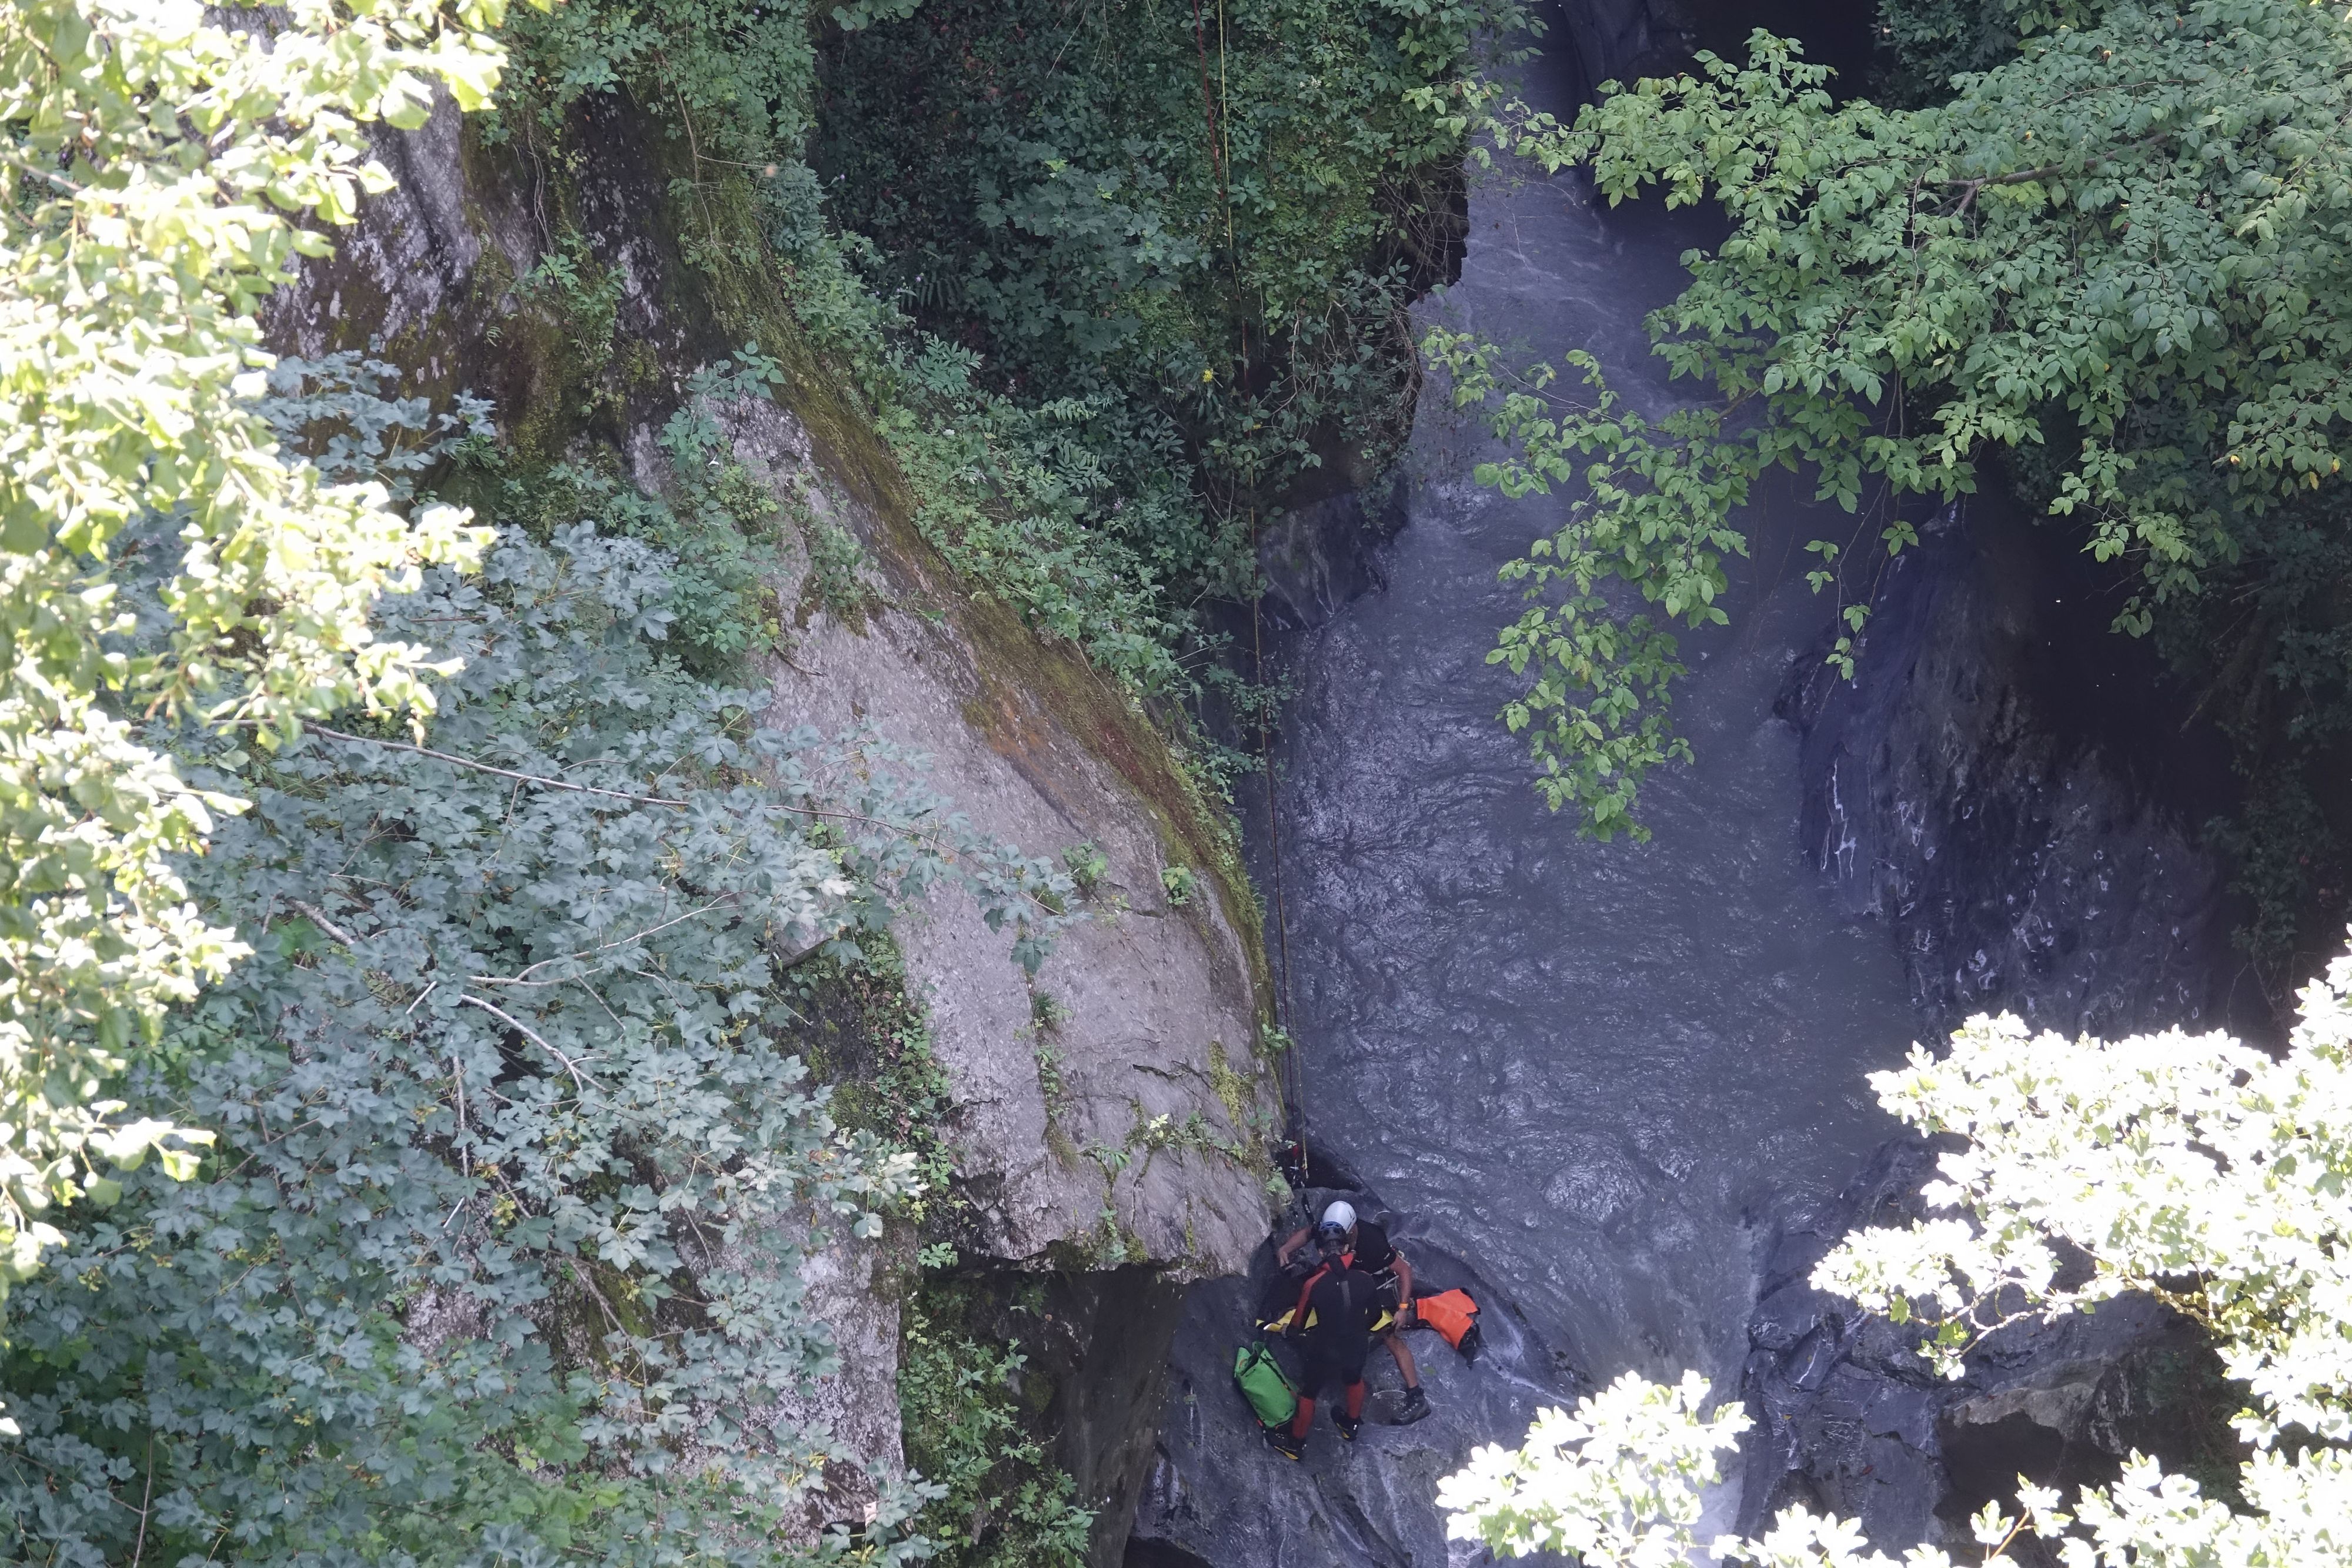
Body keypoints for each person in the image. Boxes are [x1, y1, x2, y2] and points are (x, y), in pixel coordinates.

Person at [1275, 1199, 1430, 1422]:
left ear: (1352, 1232)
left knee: (1389, 1335)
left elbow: (1404, 1270)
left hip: (1373, 1284)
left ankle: (1416, 1396)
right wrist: (1286, 1249)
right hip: (1345, 1281)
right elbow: (1308, 1233)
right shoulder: (1331, 1229)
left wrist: (1403, 1308)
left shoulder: (1372, 1241)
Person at [1271, 1253, 1383, 1457]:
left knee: (1309, 1393)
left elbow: (1298, 1325)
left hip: (1326, 1348)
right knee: (1354, 1379)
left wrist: (1289, 1332)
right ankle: (1351, 1425)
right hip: (1356, 1343)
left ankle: (1295, 1444)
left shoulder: (1314, 1284)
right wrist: (1357, 1329)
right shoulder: (1365, 1278)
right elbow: (1376, 1315)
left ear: (1322, 1254)